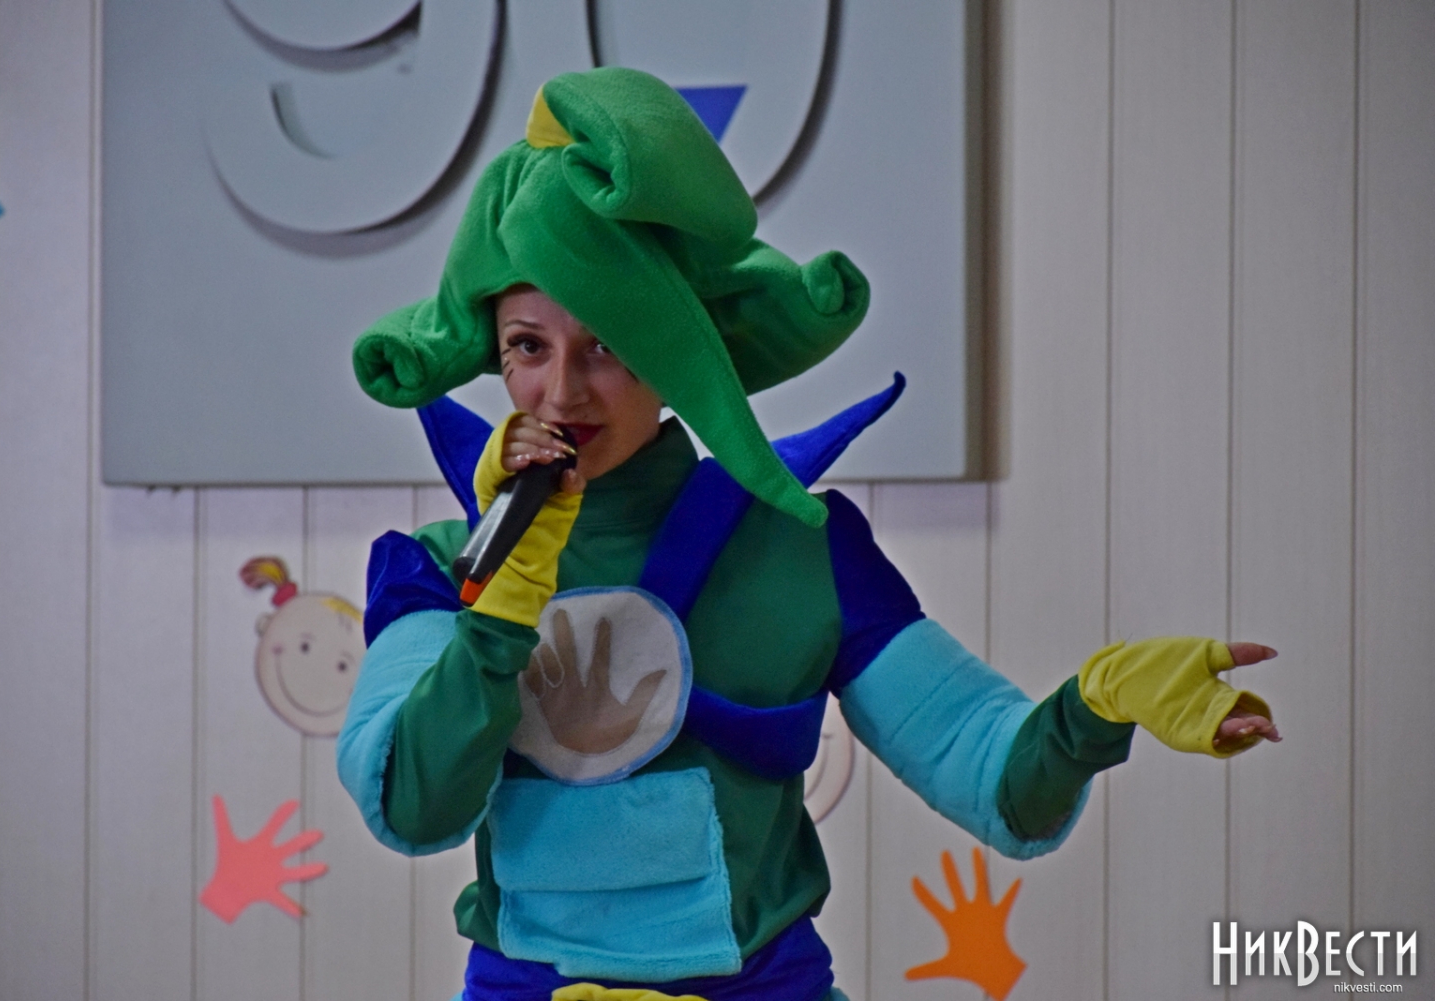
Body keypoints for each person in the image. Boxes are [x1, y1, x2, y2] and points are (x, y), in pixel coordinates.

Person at [337, 68, 1279, 1001]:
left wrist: (1097, 707)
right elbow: (410, 806)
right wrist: (502, 597)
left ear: (674, 346)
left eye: (609, 342)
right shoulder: (434, 569)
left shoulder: (800, 547)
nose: (562, 390)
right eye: (527, 345)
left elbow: (996, 780)